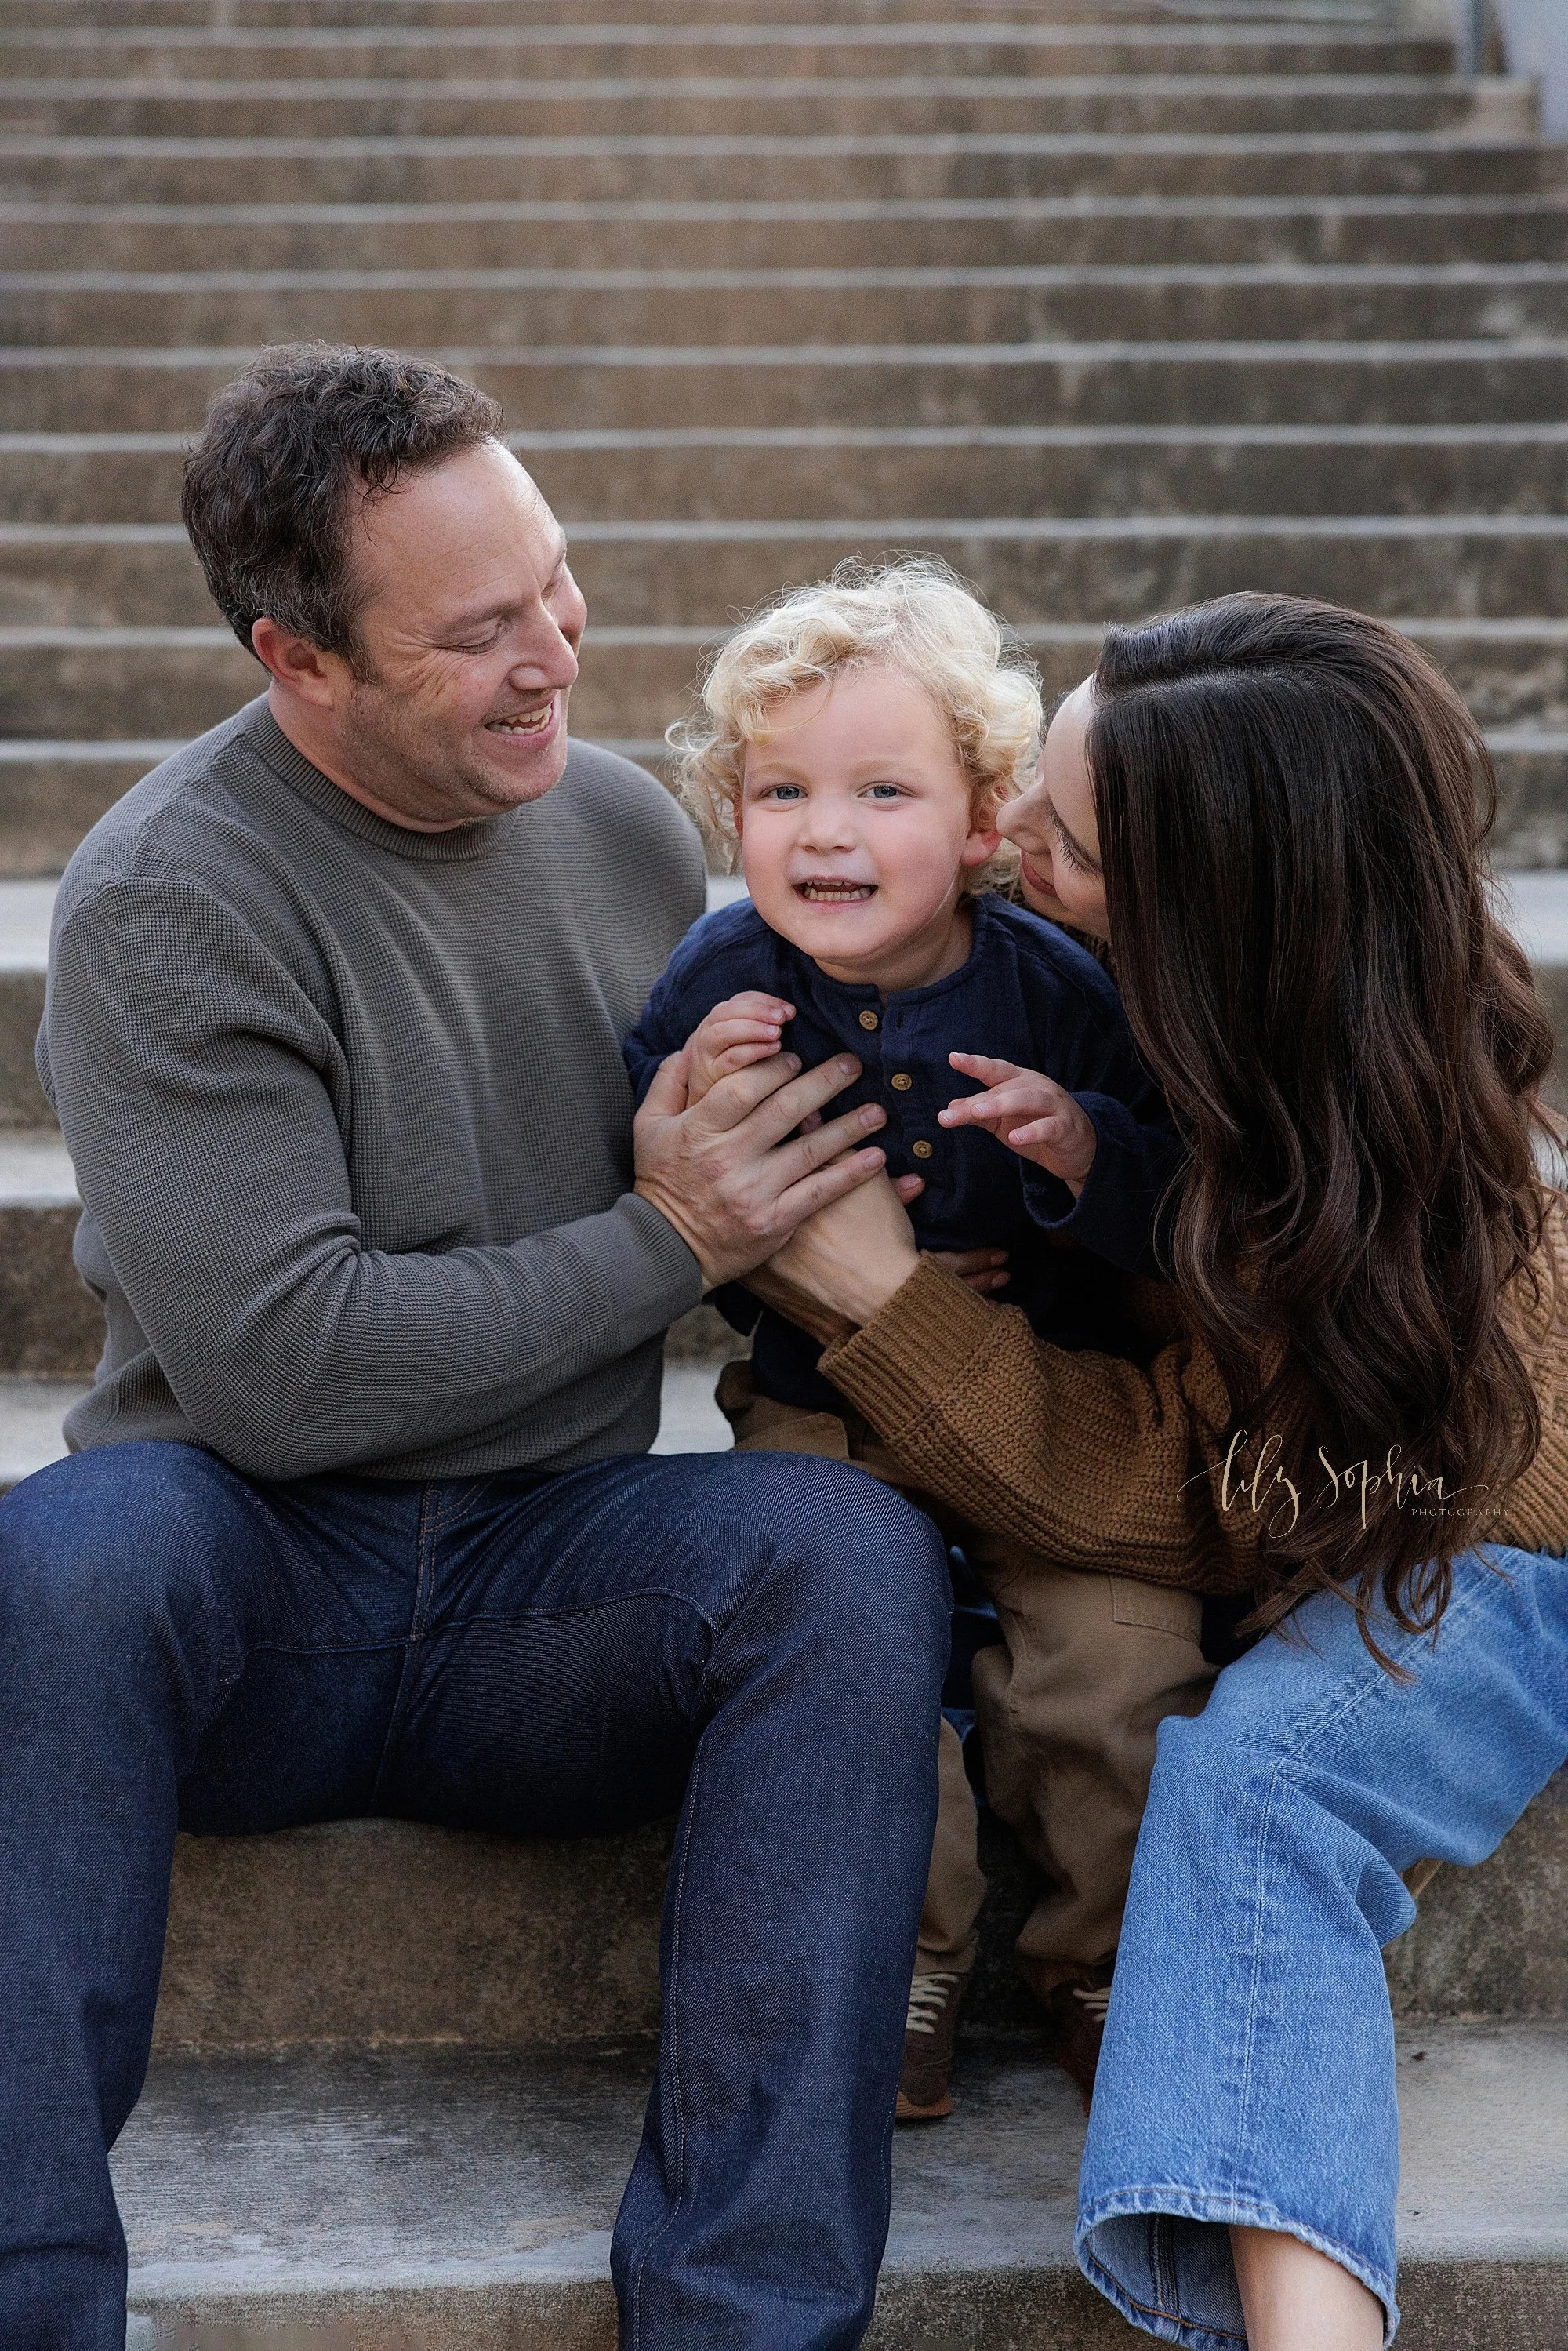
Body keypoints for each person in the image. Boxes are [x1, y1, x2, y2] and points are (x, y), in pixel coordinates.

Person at [1, 343, 955, 2351]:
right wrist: (667, 1234)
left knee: (847, 1556)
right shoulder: (167, 896)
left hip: (556, 1576)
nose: (554, 653)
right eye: (476, 632)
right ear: (297, 656)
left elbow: (789, 1153)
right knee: (58, 1561)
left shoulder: (624, 834)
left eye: (556, 583)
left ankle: (745, 2319)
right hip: (252, 1574)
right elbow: (286, 1367)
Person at [743, 594, 1568, 2348]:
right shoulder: (1098, 1008)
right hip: (1285, 1519)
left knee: (1252, 1777)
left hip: (1482, 1541)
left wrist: (889, 1307)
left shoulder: (1387, 1158)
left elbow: (1213, 1497)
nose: (1004, 850)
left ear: (1212, 922)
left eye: (1065, 844)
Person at [626, 558, 1204, 2120]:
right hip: (817, 1399)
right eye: (782, 791)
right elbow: (647, 1168)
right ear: (732, 812)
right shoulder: (717, 980)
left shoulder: (1060, 992)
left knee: (1118, 1655)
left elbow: (1179, 1203)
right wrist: (676, 1118)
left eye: (882, 790)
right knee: (851, 1659)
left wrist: (1083, 1153)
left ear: (983, 821)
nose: (826, 831)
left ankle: (1102, 1960)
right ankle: (898, 1967)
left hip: (1051, 1401)